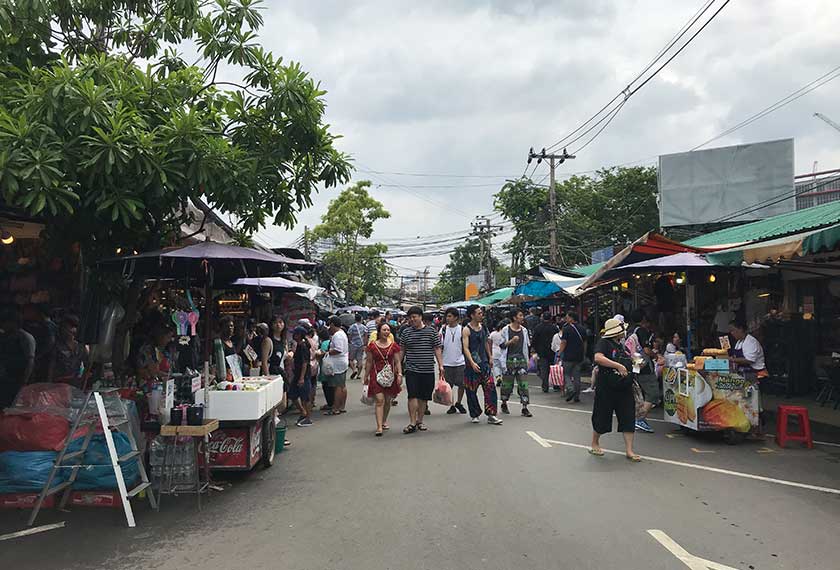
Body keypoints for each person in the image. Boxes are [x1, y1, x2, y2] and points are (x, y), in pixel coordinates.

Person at [590, 318, 640, 462]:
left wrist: (637, 365)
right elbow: (598, 358)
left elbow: (631, 364)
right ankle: (595, 443)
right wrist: (617, 366)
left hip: (624, 387)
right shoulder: (604, 343)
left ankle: (629, 450)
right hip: (607, 387)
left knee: (628, 417)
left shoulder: (623, 347)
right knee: (602, 415)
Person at [398, 305, 445, 434]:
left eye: (414, 317)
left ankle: (420, 421)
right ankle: (412, 422)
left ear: (420, 317)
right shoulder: (406, 332)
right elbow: (402, 350)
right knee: (412, 395)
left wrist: (441, 365)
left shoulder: (431, 331)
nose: (412, 319)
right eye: (410, 317)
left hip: (427, 369)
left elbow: (437, 348)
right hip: (411, 369)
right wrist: (398, 367)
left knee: (424, 397)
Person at [462, 305, 503, 425]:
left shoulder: (483, 327)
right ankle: (474, 414)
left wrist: (490, 357)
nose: (481, 315)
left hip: (484, 364)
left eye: (481, 313)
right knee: (471, 391)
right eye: (479, 313)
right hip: (472, 365)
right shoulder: (466, 330)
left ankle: (491, 414)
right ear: (472, 315)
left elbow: (486, 343)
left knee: (490, 388)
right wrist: (472, 362)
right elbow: (466, 348)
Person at [364, 321, 402, 436]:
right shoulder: (372, 346)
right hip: (376, 375)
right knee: (380, 400)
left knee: (388, 400)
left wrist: (399, 374)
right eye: (384, 330)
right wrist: (365, 376)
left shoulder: (393, 346)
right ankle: (379, 426)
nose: (386, 332)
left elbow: (397, 361)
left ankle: (384, 420)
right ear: (379, 332)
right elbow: (369, 361)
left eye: (388, 330)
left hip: (390, 376)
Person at [626, 310, 657, 433]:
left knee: (640, 393)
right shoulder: (641, 331)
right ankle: (639, 419)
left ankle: (636, 418)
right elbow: (647, 350)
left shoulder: (630, 331)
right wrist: (656, 356)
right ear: (643, 318)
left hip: (636, 365)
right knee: (653, 393)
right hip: (644, 367)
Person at [499, 308, 532, 417]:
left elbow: (527, 346)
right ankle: (504, 402)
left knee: (523, 384)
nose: (522, 317)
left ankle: (525, 407)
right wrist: (511, 341)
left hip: (521, 360)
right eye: (520, 315)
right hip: (508, 361)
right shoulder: (505, 330)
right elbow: (501, 345)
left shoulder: (524, 330)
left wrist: (527, 360)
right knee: (507, 384)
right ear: (514, 317)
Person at [0, 308, 36, 408]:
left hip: (18, 379)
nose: (2, 325)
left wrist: (24, 381)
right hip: (5, 378)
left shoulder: (25, 338)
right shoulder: (5, 337)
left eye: (5, 322)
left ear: (13, 323)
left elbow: (30, 361)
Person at [49, 314, 89, 387]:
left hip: (76, 384)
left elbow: (87, 364)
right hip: (59, 383)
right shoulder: (56, 346)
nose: (70, 330)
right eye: (65, 327)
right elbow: (51, 368)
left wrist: (83, 378)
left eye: (73, 327)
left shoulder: (81, 346)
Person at [440, 307, 467, 414]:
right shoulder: (443, 330)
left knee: (462, 384)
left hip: (460, 361)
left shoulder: (462, 329)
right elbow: (439, 346)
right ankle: (451, 405)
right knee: (448, 386)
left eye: (450, 316)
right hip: (447, 362)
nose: (447, 318)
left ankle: (458, 402)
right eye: (447, 316)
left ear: (456, 317)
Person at [323, 316, 350, 414]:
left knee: (337, 386)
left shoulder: (337, 335)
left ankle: (336, 408)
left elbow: (338, 349)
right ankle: (341, 406)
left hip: (338, 363)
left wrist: (328, 352)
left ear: (332, 324)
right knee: (342, 385)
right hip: (342, 362)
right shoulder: (342, 333)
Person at [559, 312, 586, 403]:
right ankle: (577, 395)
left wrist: (559, 352)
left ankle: (571, 389)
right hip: (579, 356)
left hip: (568, 355)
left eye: (567, 317)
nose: (566, 319)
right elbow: (585, 342)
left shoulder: (566, 329)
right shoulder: (582, 329)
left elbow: (564, 342)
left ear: (571, 318)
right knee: (577, 375)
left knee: (566, 374)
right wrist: (584, 353)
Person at [290, 326, 313, 427]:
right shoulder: (300, 345)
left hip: (303, 375)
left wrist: (302, 377)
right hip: (298, 374)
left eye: (295, 334)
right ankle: (303, 413)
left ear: (299, 335)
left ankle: (307, 418)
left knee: (305, 397)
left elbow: (304, 363)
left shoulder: (303, 346)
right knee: (293, 394)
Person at [532, 311, 559, 393]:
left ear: (542, 318)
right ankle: (556, 385)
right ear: (550, 318)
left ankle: (545, 386)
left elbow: (534, 340)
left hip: (542, 351)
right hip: (552, 351)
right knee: (554, 368)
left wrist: (534, 349)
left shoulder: (538, 328)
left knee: (544, 369)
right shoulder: (554, 328)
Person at [315, 327, 334, 411]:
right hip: (332, 366)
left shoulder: (323, 344)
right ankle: (333, 403)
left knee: (326, 386)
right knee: (331, 386)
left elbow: (321, 355)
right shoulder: (330, 341)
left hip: (325, 367)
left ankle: (330, 404)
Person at [489, 319, 508, 388]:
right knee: (504, 367)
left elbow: (489, 343)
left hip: (494, 351)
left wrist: (490, 353)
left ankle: (498, 377)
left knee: (496, 366)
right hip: (503, 352)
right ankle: (505, 379)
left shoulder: (493, 333)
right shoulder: (505, 334)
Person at [348, 313, 368, 379]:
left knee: (351, 359)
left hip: (353, 344)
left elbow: (349, 335)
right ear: (361, 319)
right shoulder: (364, 327)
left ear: (355, 319)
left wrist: (350, 341)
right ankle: (358, 375)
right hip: (361, 345)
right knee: (360, 359)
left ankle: (354, 370)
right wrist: (364, 344)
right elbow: (366, 336)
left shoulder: (351, 327)